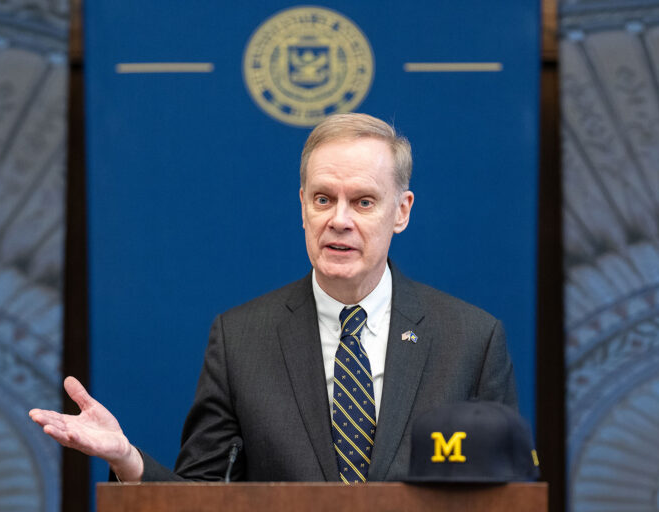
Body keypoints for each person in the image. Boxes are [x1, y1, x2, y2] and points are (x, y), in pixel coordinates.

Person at [29, 113, 517, 483]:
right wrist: (127, 459)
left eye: (363, 202)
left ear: (401, 211)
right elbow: (203, 496)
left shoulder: (471, 340)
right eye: (323, 199)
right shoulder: (241, 339)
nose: (339, 220)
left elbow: (506, 495)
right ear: (302, 207)